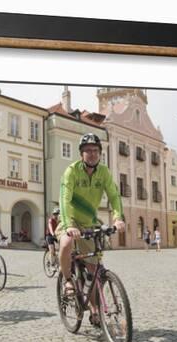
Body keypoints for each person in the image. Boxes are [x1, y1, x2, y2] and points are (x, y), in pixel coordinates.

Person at [56, 133, 125, 326]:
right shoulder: (71, 171)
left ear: (100, 153)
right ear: (81, 154)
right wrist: (69, 224)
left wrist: (118, 217)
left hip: (89, 223)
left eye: (95, 150)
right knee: (67, 242)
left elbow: (114, 195)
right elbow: (64, 199)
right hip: (69, 220)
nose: (92, 154)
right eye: (87, 151)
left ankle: (95, 311)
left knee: (94, 270)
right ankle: (68, 280)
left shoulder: (103, 172)